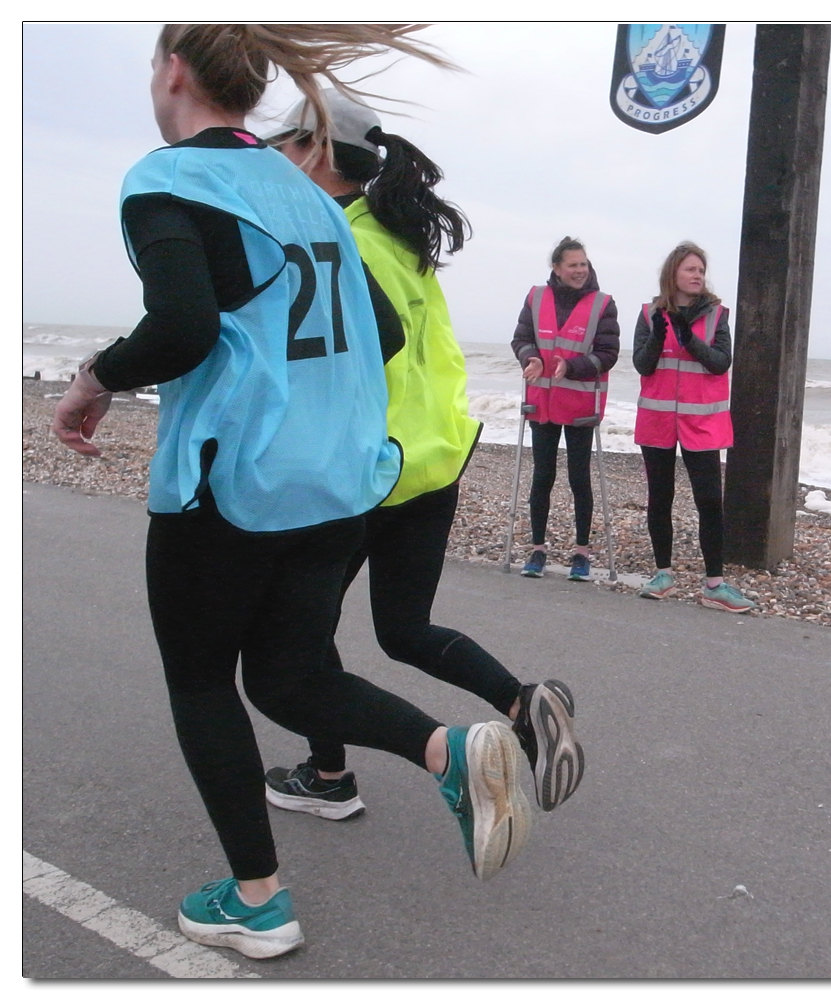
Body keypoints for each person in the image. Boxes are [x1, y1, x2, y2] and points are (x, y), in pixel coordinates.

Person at [51, 24, 532, 960]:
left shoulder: (167, 177)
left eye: (156, 64)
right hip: (338, 481)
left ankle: (258, 899)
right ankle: (449, 751)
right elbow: (383, 331)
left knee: (201, 680)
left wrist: (93, 379)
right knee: (288, 675)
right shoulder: (307, 194)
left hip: (234, 483)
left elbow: (183, 326)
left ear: (175, 71)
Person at [259, 89, 584, 819]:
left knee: (299, 645)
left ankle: (330, 776)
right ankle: (524, 705)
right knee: (404, 628)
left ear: (311, 151)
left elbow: (358, 351)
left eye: (279, 145)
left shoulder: (337, 236)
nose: (271, 161)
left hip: (367, 469)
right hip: (433, 461)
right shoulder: (398, 237)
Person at [632, 242, 756, 613]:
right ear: (673, 274)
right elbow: (643, 365)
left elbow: (720, 363)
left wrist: (689, 340)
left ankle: (714, 584)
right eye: (690, 269)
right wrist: (658, 334)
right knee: (660, 496)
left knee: (709, 501)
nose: (697, 275)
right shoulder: (649, 313)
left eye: (700, 269)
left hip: (701, 422)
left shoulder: (717, 316)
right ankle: (663, 575)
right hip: (658, 420)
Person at [510, 237, 620, 582]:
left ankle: (582, 553)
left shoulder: (603, 304)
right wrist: (529, 357)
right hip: (541, 401)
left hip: (579, 404)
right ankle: (537, 549)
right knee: (543, 475)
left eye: (584, 264)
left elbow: (608, 353)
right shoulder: (536, 297)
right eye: (573, 265)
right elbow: (521, 338)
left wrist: (572, 367)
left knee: (579, 477)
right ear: (556, 268)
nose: (580, 271)